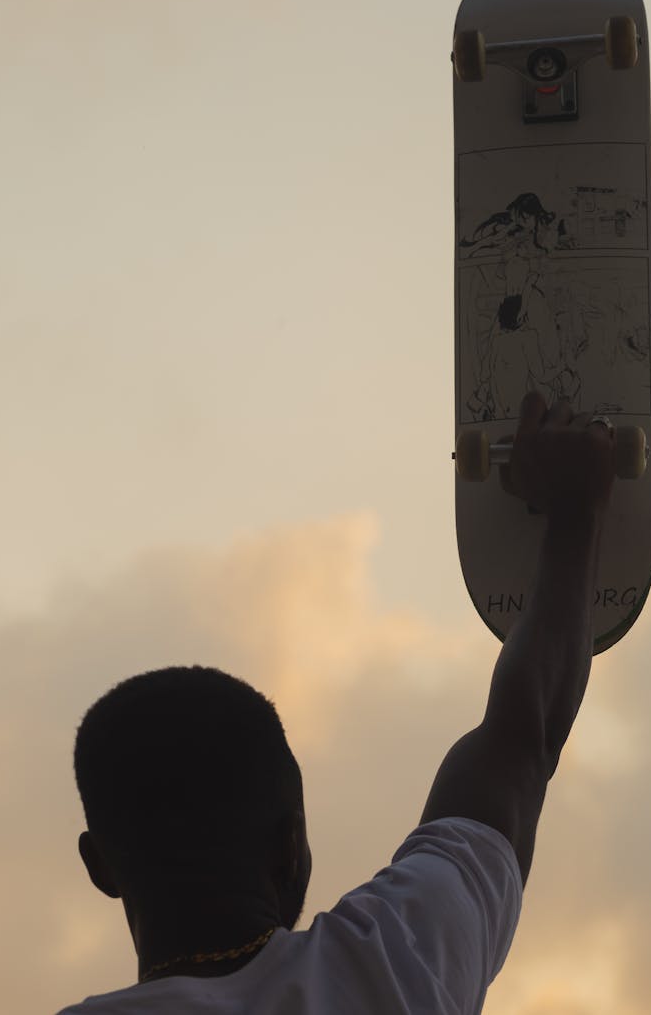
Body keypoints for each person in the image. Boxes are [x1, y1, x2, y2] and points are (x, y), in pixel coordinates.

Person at [56, 391, 616, 1015]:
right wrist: (575, 512)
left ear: (99, 866)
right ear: (290, 843)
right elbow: (525, 737)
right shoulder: (395, 965)